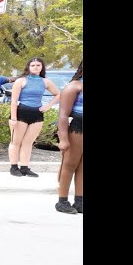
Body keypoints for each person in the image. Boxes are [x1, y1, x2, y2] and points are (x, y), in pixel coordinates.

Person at [8, 57, 61, 178]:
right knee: (16, 142)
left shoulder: (45, 81)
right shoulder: (21, 81)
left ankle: (25, 168)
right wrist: (13, 118)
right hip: (21, 113)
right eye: (33, 65)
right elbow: (14, 101)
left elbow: (58, 94)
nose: (35, 67)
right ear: (28, 67)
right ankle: (14, 167)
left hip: (37, 114)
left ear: (42, 67)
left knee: (28, 142)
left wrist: (48, 106)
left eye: (38, 65)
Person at [55, 62, 83, 214]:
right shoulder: (74, 86)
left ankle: (80, 200)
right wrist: (63, 139)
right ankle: (62, 200)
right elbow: (63, 115)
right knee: (69, 164)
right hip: (78, 127)